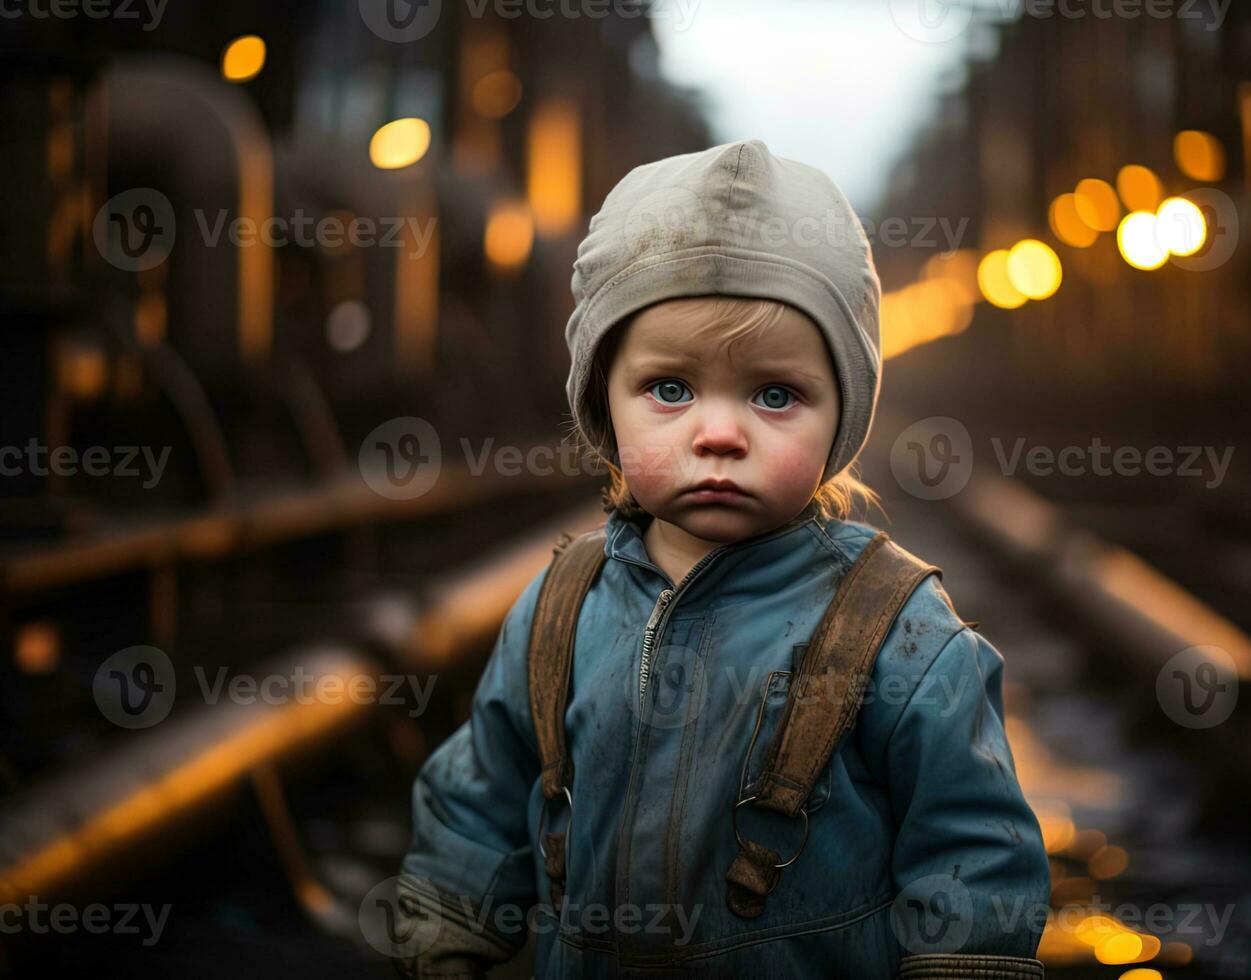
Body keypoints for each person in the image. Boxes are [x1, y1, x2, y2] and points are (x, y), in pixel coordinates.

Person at [392, 139, 1050, 978]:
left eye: (776, 395)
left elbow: (972, 850)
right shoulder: (562, 607)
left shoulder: (896, 630)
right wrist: (444, 935)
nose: (719, 433)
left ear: (842, 418)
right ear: (606, 404)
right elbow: (477, 800)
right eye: (670, 388)